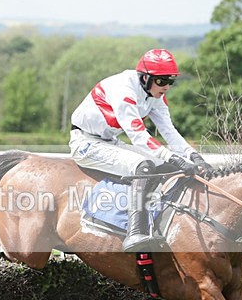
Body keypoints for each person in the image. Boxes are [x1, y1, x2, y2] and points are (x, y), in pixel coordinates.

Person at [69, 48, 211, 252]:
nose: (167, 86)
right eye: (162, 81)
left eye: (171, 81)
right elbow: (138, 135)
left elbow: (169, 132)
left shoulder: (156, 95)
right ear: (145, 78)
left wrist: (193, 156)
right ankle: (135, 232)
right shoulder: (124, 90)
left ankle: (156, 222)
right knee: (144, 166)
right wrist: (174, 157)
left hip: (108, 140)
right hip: (85, 143)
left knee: (163, 166)